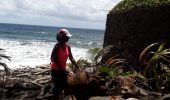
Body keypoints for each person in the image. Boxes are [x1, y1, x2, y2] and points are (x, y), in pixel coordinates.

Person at [50, 29, 79, 99]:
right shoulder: (57, 46)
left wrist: (78, 66)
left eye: (68, 37)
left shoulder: (68, 47)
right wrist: (63, 70)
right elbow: (55, 60)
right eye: (66, 37)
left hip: (62, 69)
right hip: (55, 70)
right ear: (61, 37)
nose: (68, 38)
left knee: (66, 86)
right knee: (57, 87)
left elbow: (71, 58)